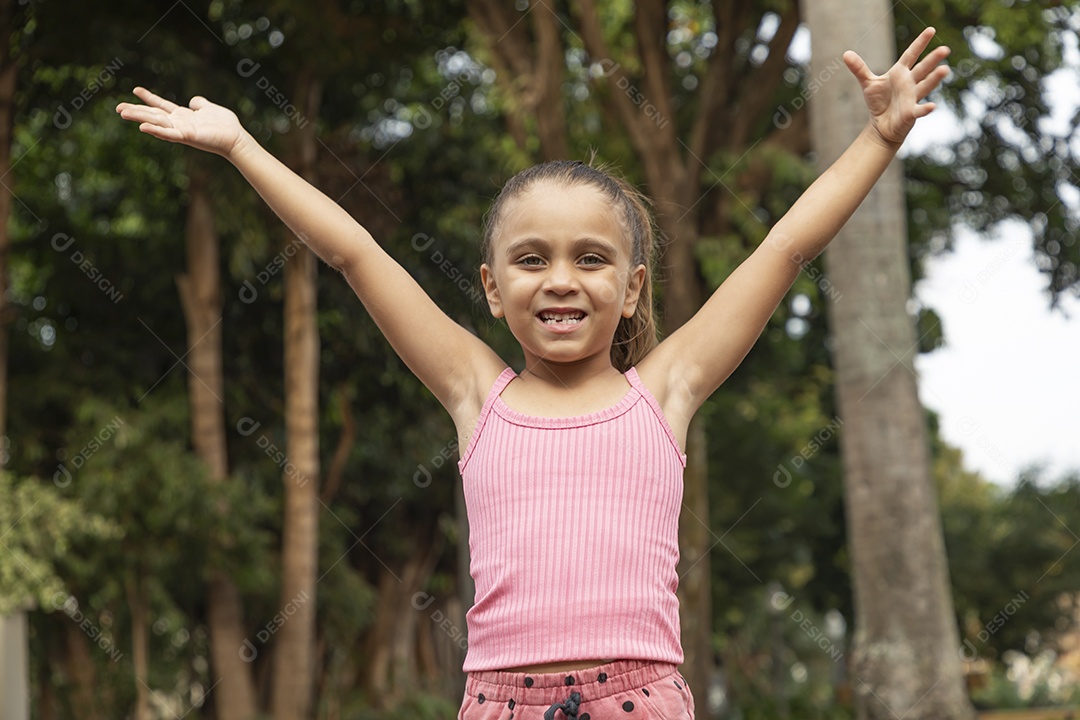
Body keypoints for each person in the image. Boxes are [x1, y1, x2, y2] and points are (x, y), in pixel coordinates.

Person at [116, 26, 950, 720]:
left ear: (631, 292)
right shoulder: (477, 393)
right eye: (530, 259)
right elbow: (352, 250)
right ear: (490, 288)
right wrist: (240, 145)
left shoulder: (664, 392)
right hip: (500, 702)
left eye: (591, 260)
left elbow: (786, 246)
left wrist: (878, 138)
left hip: (643, 697)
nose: (559, 279)